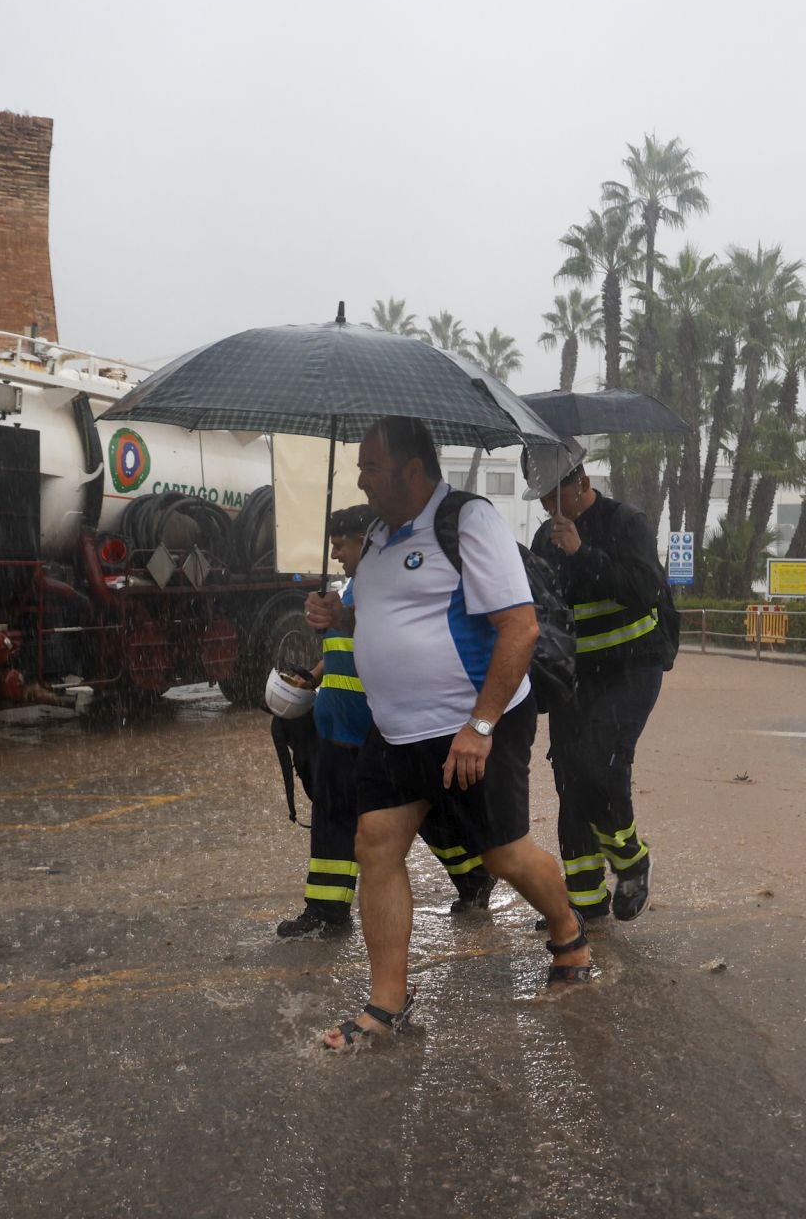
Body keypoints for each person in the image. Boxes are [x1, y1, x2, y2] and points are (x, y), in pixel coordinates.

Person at [305, 417, 593, 1051]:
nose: (360, 479)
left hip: (473, 723)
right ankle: (387, 1003)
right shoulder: (377, 536)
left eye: (371, 467)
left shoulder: (467, 521)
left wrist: (481, 726)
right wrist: (339, 614)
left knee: (502, 854)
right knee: (375, 843)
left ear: (413, 469)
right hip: (397, 729)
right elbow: (387, 614)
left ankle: (568, 932)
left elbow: (520, 628)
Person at [275, 505, 497, 939]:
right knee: (333, 816)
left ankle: (473, 877)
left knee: (431, 816)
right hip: (338, 727)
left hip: (383, 731)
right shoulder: (350, 589)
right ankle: (327, 909)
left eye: (341, 545)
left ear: (366, 540)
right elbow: (341, 647)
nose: (335, 553)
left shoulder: (387, 589)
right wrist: (311, 677)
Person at [526, 440, 673, 924]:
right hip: (575, 674)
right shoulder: (546, 538)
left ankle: (631, 862)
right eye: (543, 501)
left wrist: (583, 552)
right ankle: (585, 901)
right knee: (570, 774)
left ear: (582, 484)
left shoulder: (625, 523)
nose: (549, 509)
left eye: (554, 496)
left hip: (633, 665)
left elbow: (643, 591)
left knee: (602, 764)